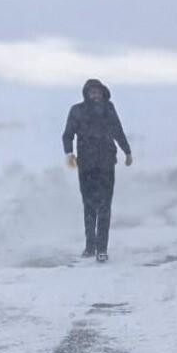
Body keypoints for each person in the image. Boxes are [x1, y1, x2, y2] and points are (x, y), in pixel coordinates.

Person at [62, 78, 132, 262]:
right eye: (91, 92)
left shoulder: (108, 109)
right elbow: (68, 134)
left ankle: (102, 249)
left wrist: (127, 151)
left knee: (105, 206)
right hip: (86, 164)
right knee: (89, 206)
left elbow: (118, 130)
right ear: (86, 94)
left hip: (106, 163)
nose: (94, 95)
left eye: (97, 91)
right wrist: (69, 153)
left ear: (102, 92)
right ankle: (90, 246)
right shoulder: (77, 111)